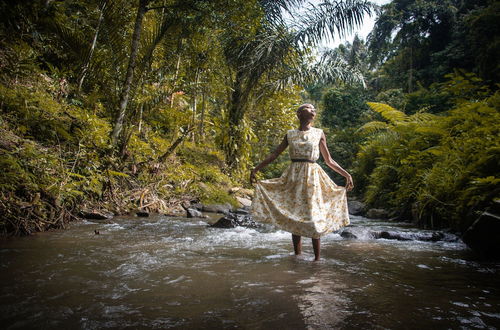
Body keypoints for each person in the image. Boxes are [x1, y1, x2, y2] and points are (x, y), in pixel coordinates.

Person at [250, 103, 353, 261]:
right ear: (299, 114)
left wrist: (347, 175)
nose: (313, 110)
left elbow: (329, 160)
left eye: (314, 109)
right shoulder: (290, 134)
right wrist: (256, 169)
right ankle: (297, 257)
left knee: (313, 216)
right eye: (309, 108)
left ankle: (317, 260)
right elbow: (275, 154)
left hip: (313, 177)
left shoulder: (319, 133)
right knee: (295, 214)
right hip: (293, 177)